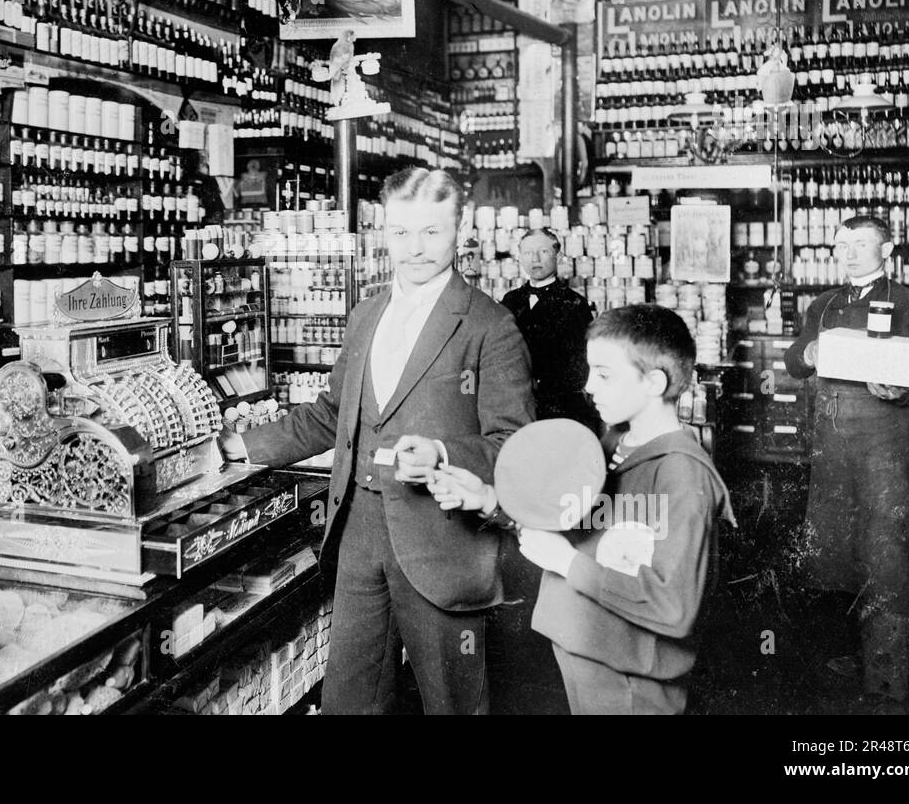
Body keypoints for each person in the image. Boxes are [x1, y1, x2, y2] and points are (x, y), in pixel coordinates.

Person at [220, 168, 535, 714]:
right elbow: (332, 415)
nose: (415, 249)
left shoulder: (490, 325)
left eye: (431, 233)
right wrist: (240, 447)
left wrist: (443, 453)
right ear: (382, 233)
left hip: (441, 539)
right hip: (360, 534)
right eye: (401, 233)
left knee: (453, 702)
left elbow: (514, 444)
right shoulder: (366, 315)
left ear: (458, 231)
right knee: (351, 699)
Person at [429, 304, 734, 714]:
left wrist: (570, 564)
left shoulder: (682, 473)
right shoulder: (611, 445)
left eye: (605, 375)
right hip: (585, 651)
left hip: (631, 681)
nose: (589, 386)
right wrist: (487, 499)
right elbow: (571, 527)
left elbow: (675, 608)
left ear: (654, 382)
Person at [784, 215, 909, 710]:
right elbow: (793, 362)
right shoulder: (823, 304)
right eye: (841, 244)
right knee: (841, 550)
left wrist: (901, 386)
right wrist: (806, 351)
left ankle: (887, 678)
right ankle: (867, 655)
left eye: (861, 244)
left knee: (888, 549)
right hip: (833, 441)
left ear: (887, 248)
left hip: (886, 441)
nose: (848, 253)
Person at [500, 228, 597, 429]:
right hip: (516, 406)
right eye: (527, 253)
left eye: (543, 251)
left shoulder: (574, 303)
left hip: (559, 412)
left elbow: (579, 370)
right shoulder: (510, 300)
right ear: (520, 258)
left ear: (558, 255)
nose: (535, 258)